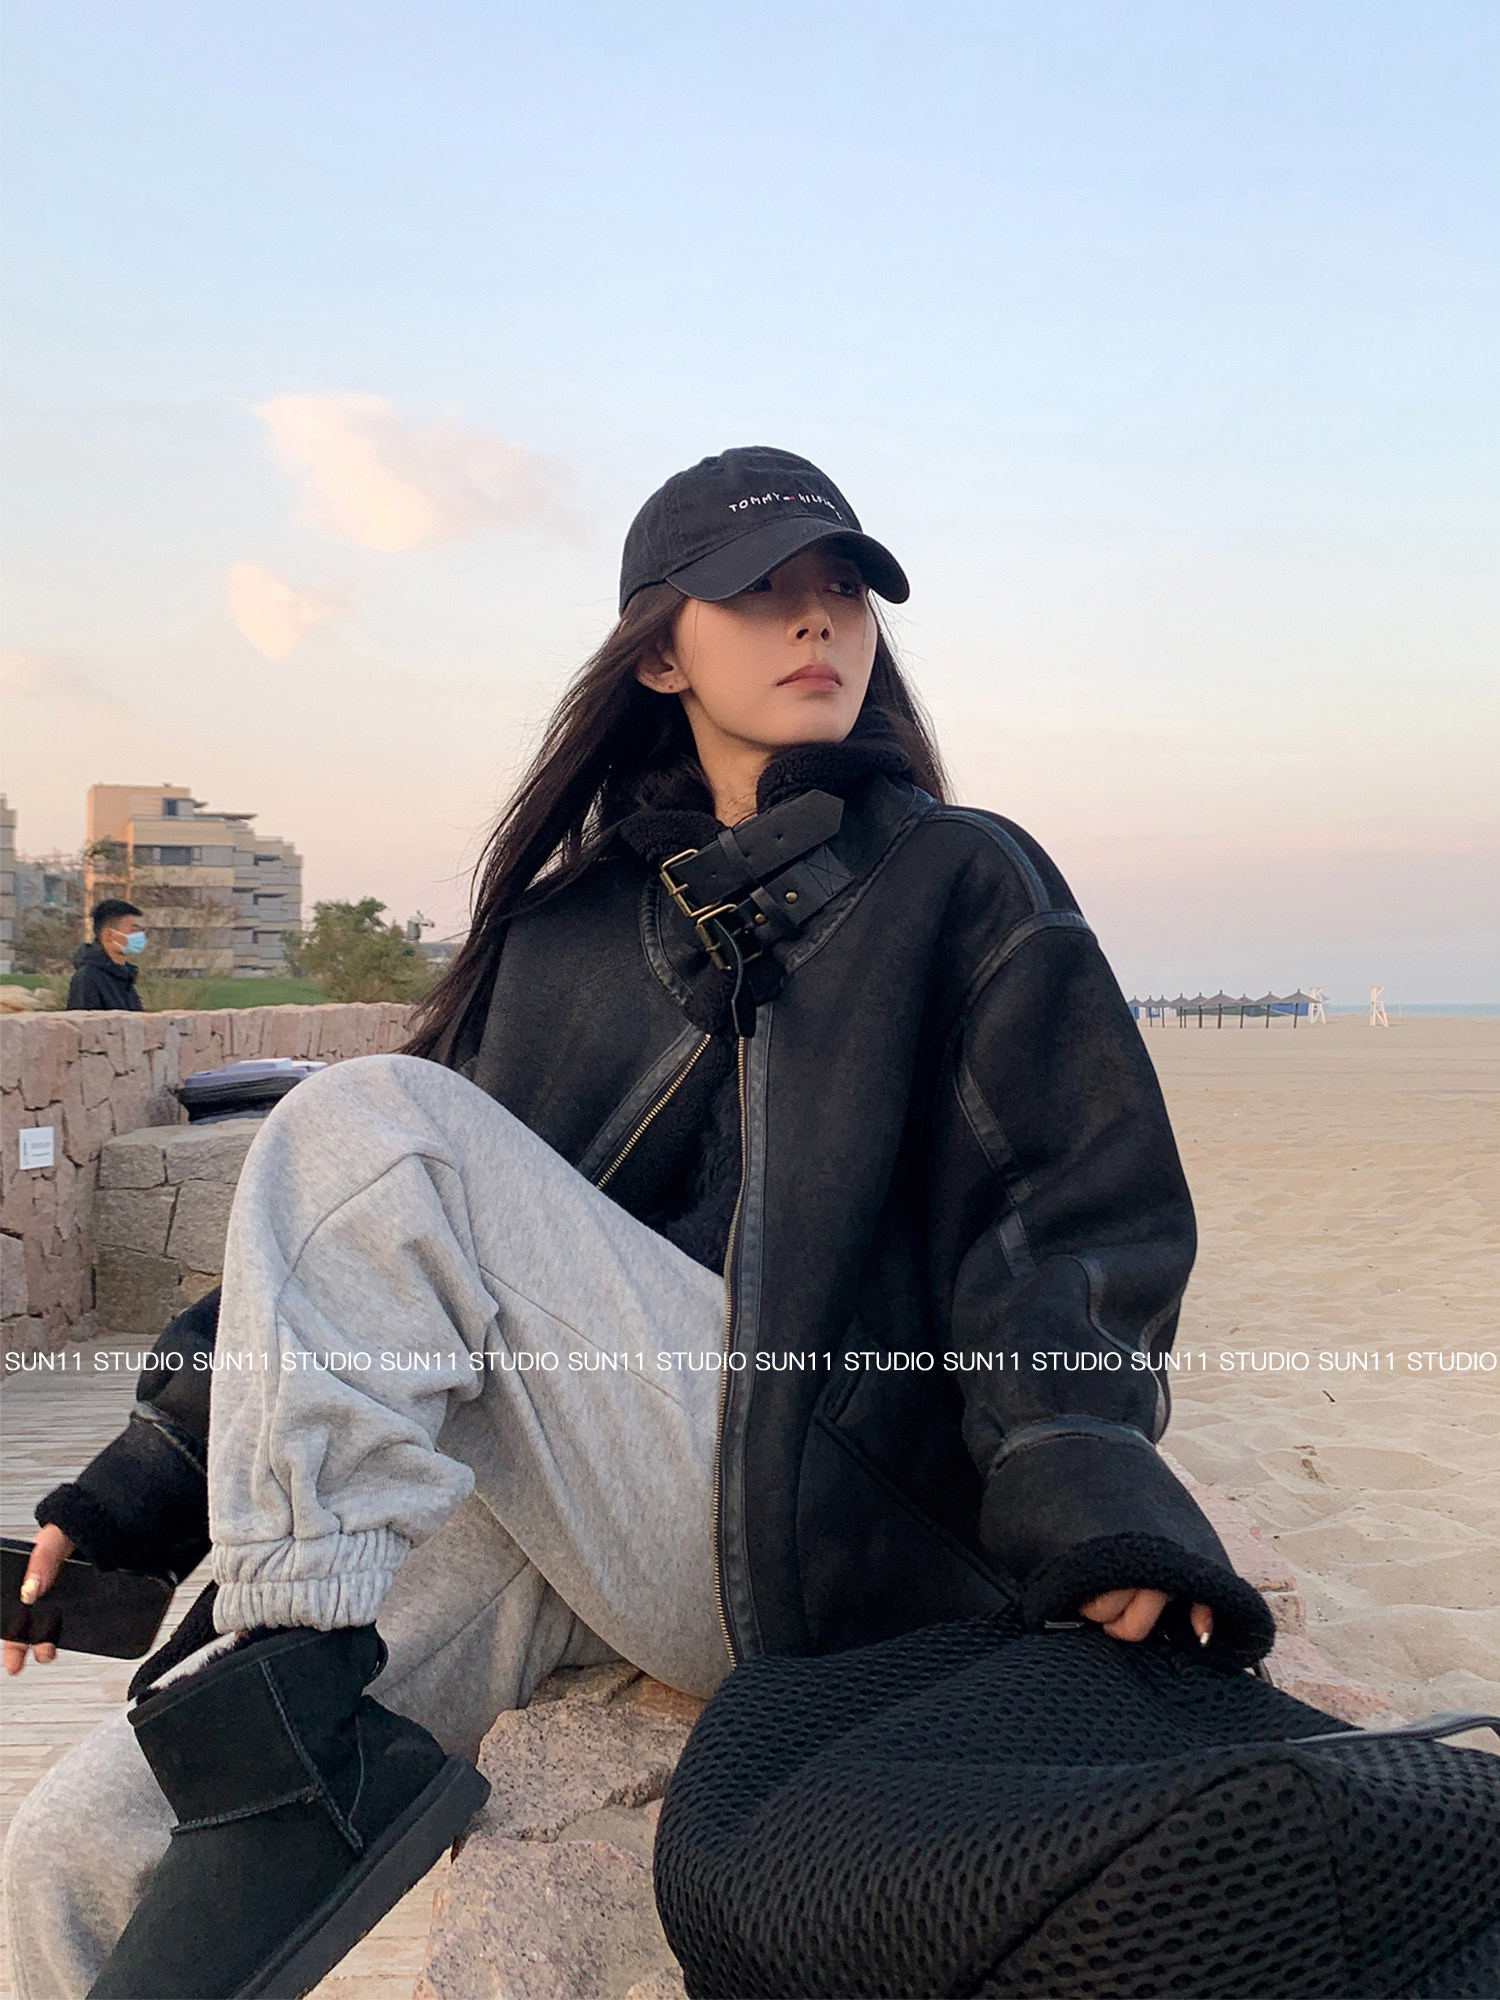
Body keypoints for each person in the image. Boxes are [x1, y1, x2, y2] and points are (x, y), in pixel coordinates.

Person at [4, 447, 1272, 2000]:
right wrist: (137, 1484)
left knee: (364, 1116)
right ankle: (285, 1719)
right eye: (763, 591)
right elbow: (350, 1245)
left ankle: (283, 1699)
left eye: (844, 588)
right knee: (70, 1849)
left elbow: (1069, 1226)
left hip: (828, 1517)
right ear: (661, 653)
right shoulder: (571, 930)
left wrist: (1091, 1490)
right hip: (588, 1503)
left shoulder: (961, 878)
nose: (819, 619)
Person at [64, 902, 146, 1011]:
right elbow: (84, 1019)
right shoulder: (88, 978)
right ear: (109, 935)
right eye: (134, 930)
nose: (140, 936)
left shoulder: (124, 976)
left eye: (141, 931)